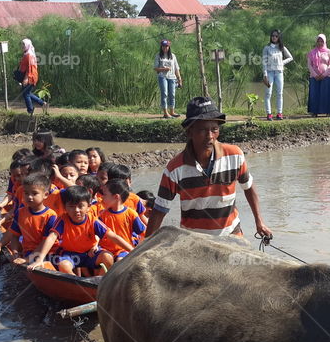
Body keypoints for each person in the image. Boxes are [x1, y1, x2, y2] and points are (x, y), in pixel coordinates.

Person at [146, 97, 273, 238]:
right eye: (202, 130)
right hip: (195, 239)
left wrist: (259, 221)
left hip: (231, 234)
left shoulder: (235, 156)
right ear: (190, 132)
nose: (210, 136)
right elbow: (160, 209)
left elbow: (248, 187)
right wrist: (145, 245)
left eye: (214, 129)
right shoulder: (175, 168)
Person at [47, 186, 130, 276]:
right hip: (70, 255)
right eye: (71, 206)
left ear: (88, 207)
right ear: (65, 207)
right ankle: (78, 285)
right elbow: (51, 237)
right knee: (63, 265)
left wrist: (132, 250)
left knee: (107, 257)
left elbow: (113, 236)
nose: (76, 210)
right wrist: (40, 258)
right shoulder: (62, 220)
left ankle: (99, 282)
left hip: (90, 254)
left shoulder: (93, 221)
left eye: (80, 206)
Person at [0, 174, 58, 265]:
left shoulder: (51, 215)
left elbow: (46, 242)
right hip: (30, 251)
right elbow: (14, 235)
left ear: (46, 195)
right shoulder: (20, 213)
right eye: (26, 193)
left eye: (34, 193)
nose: (29, 197)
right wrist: (15, 252)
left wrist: (27, 259)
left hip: (51, 252)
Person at [98, 179, 146, 260]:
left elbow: (143, 233)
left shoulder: (131, 214)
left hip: (123, 250)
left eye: (105, 194)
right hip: (104, 250)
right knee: (105, 260)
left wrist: (138, 249)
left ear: (116, 197)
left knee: (120, 260)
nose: (102, 197)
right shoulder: (101, 214)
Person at [262, 29, 293, 121]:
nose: (274, 37)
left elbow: (290, 57)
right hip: (270, 72)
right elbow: (264, 62)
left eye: (276, 36)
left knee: (280, 93)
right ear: (270, 37)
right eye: (273, 36)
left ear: (279, 37)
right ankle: (269, 113)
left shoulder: (281, 47)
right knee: (268, 93)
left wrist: (282, 63)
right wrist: (265, 74)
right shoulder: (267, 48)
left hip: (279, 73)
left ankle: (279, 113)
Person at [154, 40, 183, 119]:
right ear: (161, 47)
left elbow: (177, 68)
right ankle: (165, 112)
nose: (165, 48)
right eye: (163, 46)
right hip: (162, 77)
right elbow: (155, 68)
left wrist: (179, 79)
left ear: (169, 47)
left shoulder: (173, 56)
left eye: (166, 46)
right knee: (165, 93)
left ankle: (172, 111)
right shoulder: (158, 56)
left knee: (172, 94)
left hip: (172, 77)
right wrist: (164, 69)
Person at [307, 34, 330, 117]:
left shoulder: (329, 51)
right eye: (318, 41)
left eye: (322, 41)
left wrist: (324, 74)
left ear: (325, 41)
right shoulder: (312, 52)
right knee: (314, 94)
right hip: (314, 77)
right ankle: (314, 112)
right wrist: (315, 75)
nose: (320, 43)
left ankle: (328, 111)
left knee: (326, 93)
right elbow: (309, 65)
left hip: (327, 76)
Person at [18, 38, 47, 115]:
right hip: (31, 76)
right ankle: (42, 103)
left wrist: (26, 78)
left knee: (26, 94)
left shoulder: (28, 55)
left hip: (30, 77)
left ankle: (30, 111)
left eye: (24, 44)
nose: (22, 46)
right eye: (22, 44)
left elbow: (29, 68)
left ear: (28, 45)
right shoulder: (28, 54)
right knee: (27, 93)